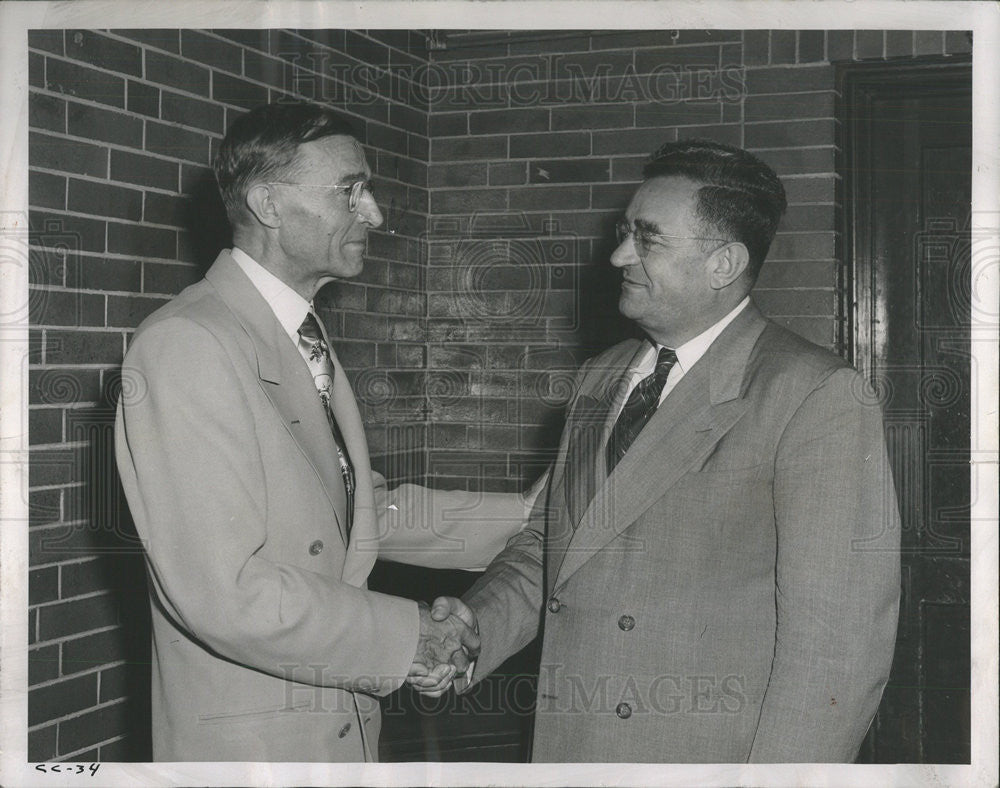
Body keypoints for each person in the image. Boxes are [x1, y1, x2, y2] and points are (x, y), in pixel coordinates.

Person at [420, 140, 902, 762]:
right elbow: (553, 549)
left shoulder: (812, 394)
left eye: (647, 239)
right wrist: (473, 627)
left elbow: (840, 642)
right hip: (572, 744)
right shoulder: (600, 375)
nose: (619, 254)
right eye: (625, 233)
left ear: (723, 263)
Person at [114, 102, 532, 762]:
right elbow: (227, 593)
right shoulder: (188, 345)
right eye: (350, 190)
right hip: (255, 749)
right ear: (269, 204)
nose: (374, 213)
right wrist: (410, 636)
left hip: (332, 729)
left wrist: (534, 516)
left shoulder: (294, 332)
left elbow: (357, 509)